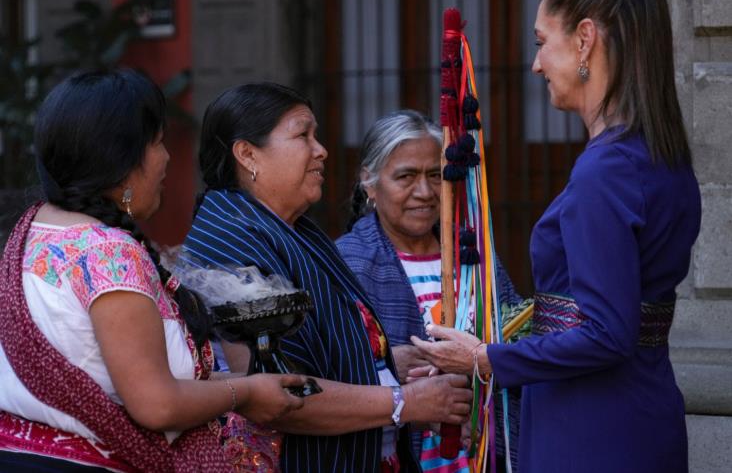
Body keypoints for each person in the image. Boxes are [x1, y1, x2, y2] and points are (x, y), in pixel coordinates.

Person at [410, 0, 701, 473]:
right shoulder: (659, 155)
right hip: (638, 413)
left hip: (591, 429)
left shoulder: (606, 168)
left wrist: (485, 360)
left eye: (542, 41)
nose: (536, 64)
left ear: (585, 39)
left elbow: (608, 332)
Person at [0, 70, 306, 472]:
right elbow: (157, 405)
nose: (166, 158)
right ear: (123, 160)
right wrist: (246, 393)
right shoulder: (108, 252)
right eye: (159, 143)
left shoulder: (33, 230)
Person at [178, 83, 473, 473]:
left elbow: (318, 356)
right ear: (248, 154)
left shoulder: (290, 229)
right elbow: (276, 392)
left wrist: (382, 365)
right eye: (303, 135)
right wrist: (405, 401)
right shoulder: (230, 237)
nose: (321, 150)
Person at [336, 110, 528, 472]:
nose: (424, 192)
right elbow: (329, 372)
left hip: (483, 455)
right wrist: (393, 365)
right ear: (370, 182)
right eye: (406, 176)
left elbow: (516, 334)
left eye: (436, 176)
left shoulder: (473, 257)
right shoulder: (347, 263)